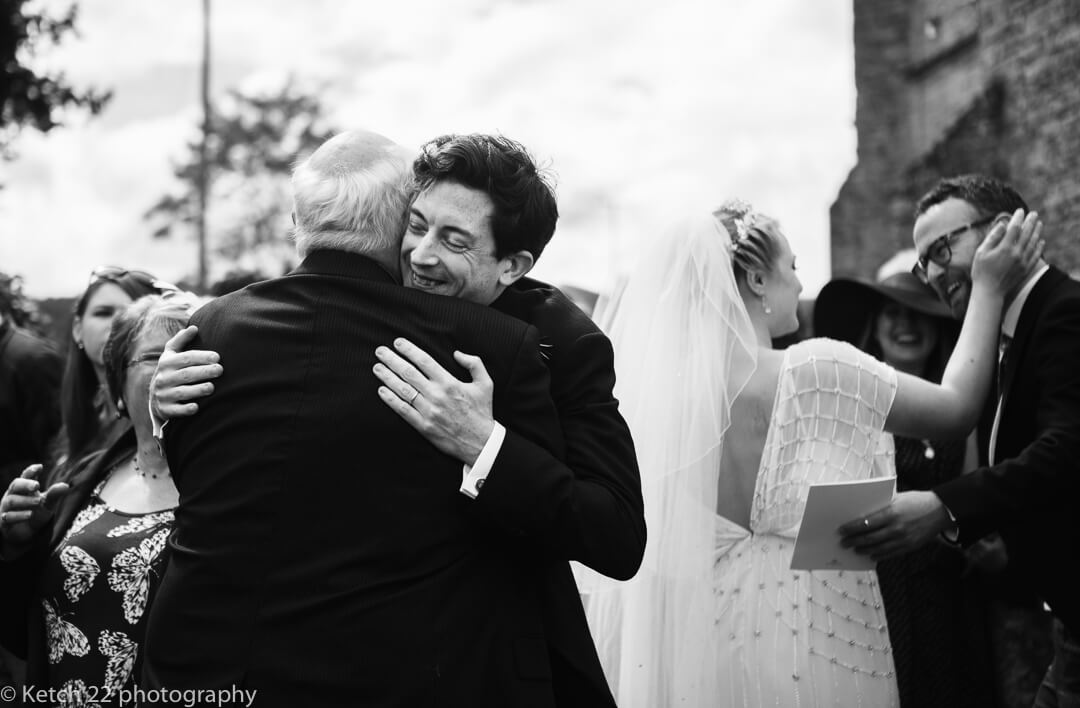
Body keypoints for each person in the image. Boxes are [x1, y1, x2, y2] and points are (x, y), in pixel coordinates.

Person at [142, 130, 636, 708]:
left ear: (512, 265)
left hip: (483, 660)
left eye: (454, 241)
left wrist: (485, 446)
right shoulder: (283, 321)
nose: (421, 255)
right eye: (417, 224)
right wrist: (166, 410)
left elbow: (616, 535)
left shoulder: (557, 343)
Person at [586, 198, 1039, 707]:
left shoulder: (661, 412)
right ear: (757, 281)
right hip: (821, 653)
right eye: (793, 267)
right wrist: (990, 288)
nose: (801, 286)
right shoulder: (816, 370)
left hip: (706, 661)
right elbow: (957, 408)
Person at [839, 174, 1080, 707]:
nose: (933, 274)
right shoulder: (1015, 333)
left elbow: (1066, 451)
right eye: (926, 263)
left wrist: (942, 507)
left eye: (943, 248)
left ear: (1001, 231)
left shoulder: (1065, 312)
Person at [0, 294, 200, 706]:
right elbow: (21, 631)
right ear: (119, 391)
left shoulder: (230, 484)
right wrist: (19, 545)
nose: (173, 365)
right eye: (154, 356)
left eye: (189, 352)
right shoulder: (81, 476)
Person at [814, 253, 995, 707]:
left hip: (954, 595)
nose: (907, 325)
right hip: (880, 595)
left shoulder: (961, 412)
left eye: (919, 315)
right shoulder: (852, 403)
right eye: (894, 314)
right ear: (874, 327)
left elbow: (972, 490)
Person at [55, 268, 174, 470]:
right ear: (77, 329)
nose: (116, 323)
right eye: (103, 313)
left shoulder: (168, 415)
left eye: (135, 312)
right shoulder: (77, 416)